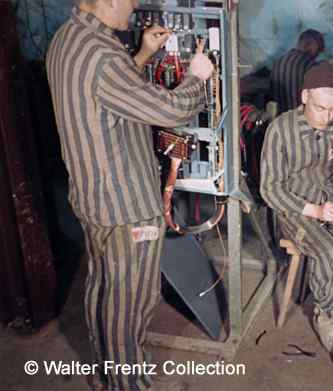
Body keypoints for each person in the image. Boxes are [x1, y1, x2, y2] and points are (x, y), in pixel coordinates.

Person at [46, 1, 214, 390]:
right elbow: (168, 111)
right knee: (132, 302)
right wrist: (197, 77)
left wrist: (141, 55)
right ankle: (128, 382)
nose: (135, 6)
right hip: (127, 207)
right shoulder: (102, 53)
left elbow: (109, 96)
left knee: (104, 286)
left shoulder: (68, 38)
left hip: (93, 198)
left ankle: (108, 373)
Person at [260, 62, 333, 369]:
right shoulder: (280, 129)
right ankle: (326, 310)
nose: (328, 116)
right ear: (305, 96)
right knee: (332, 252)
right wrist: (315, 211)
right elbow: (270, 189)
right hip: (296, 208)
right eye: (321, 108)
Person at [270, 29, 325, 114]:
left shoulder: (279, 61)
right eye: (319, 49)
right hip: (300, 120)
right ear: (309, 45)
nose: (318, 54)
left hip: (280, 119)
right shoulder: (310, 65)